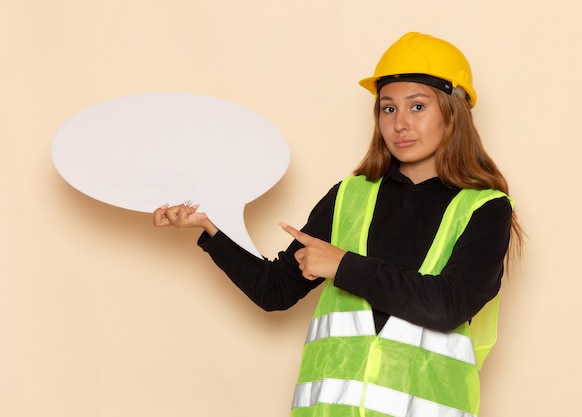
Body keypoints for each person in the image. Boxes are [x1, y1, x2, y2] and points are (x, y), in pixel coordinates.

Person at [153, 31, 523, 417]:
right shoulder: (350, 196)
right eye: (388, 108)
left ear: (454, 110)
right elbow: (275, 291)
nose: (399, 124)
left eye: (417, 107)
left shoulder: (486, 209)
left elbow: (447, 305)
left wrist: (342, 264)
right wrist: (210, 228)